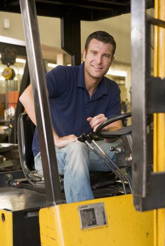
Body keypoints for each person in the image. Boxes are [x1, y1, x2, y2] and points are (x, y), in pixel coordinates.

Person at [19, 30, 123, 203]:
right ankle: (82, 218)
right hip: (50, 156)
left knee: (130, 147)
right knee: (77, 147)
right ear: (84, 54)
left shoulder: (111, 88)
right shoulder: (63, 75)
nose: (99, 61)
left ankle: (139, 213)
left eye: (105, 55)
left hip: (90, 151)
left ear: (111, 60)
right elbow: (27, 96)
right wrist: (56, 139)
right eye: (94, 53)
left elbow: (117, 130)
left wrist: (107, 126)